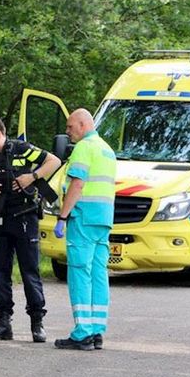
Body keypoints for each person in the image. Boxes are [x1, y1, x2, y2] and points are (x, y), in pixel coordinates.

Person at [0, 115, 62, 342]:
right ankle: (3, 323)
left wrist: (32, 177)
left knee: (30, 271)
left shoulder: (21, 149)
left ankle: (37, 324)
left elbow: (54, 161)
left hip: (23, 218)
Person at [53, 108, 116, 351]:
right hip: (103, 219)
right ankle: (97, 330)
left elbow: (77, 185)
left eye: (70, 127)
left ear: (82, 124)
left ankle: (82, 333)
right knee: (99, 274)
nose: (67, 132)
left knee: (79, 273)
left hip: (83, 218)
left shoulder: (84, 148)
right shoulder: (107, 150)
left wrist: (62, 216)